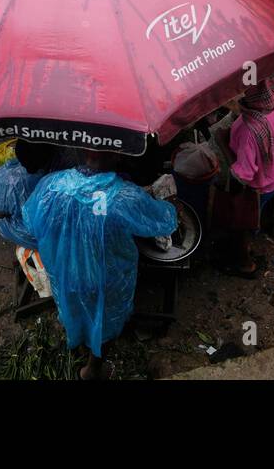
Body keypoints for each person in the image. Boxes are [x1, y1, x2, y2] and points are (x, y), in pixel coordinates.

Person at [22, 150, 177, 379]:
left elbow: (31, 222)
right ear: (117, 156)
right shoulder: (126, 196)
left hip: (65, 273)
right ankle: (92, 369)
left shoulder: (50, 186)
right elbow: (163, 222)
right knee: (106, 320)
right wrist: (172, 205)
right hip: (108, 279)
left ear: (78, 152)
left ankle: (79, 342)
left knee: (74, 308)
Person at [217, 79, 274, 278]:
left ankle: (245, 264)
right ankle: (254, 230)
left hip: (258, 186)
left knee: (241, 225)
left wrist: (223, 143)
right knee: (255, 215)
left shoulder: (249, 129)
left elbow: (242, 175)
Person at [0, 139, 54, 249]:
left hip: (35, 236)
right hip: (55, 230)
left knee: (3, 214)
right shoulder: (63, 171)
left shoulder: (12, 181)